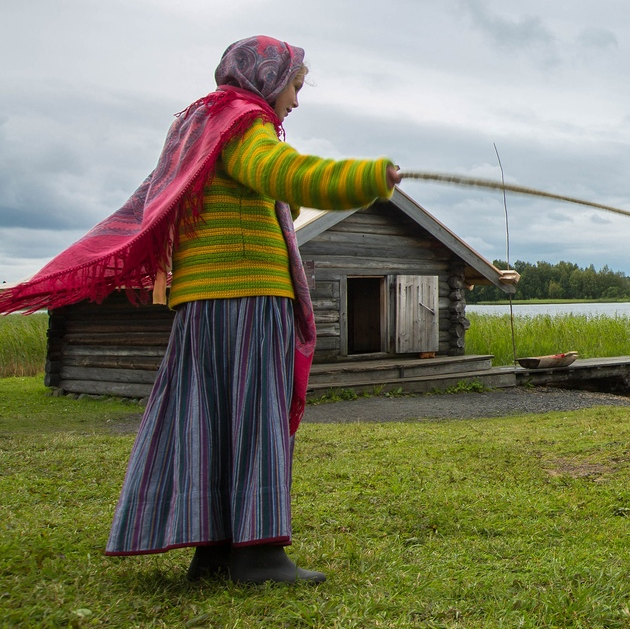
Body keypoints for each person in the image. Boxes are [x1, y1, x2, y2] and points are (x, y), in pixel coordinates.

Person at [0, 36, 401, 582]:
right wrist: (369, 178)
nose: (296, 103)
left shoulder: (200, 128)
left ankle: (212, 550)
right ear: (267, 78)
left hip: (203, 304)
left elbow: (260, 187)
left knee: (206, 418)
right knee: (256, 415)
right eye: (296, 88)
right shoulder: (243, 122)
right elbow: (284, 173)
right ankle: (258, 554)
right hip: (249, 296)